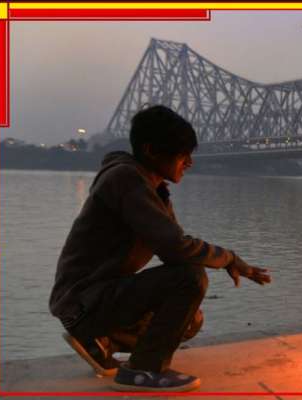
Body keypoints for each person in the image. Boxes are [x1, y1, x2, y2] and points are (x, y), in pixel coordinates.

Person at [49, 105, 271, 392]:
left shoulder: (152, 188)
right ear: (152, 150)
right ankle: (143, 370)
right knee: (189, 277)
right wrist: (227, 257)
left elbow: (173, 243)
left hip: (91, 300)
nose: (189, 162)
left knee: (191, 320)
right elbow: (176, 248)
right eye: (183, 154)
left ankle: (102, 342)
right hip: (82, 302)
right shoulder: (125, 180)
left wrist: (227, 259)